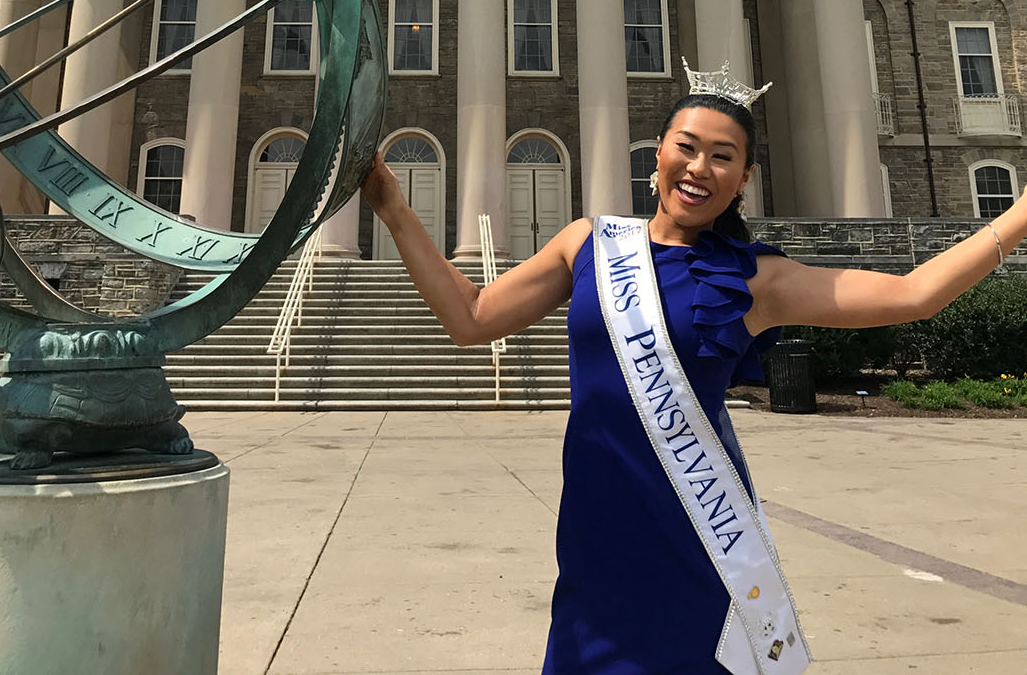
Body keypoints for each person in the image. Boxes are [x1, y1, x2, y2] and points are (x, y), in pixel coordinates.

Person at [360, 63, 1027, 674]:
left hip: (698, 540)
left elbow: (913, 295)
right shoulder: (590, 243)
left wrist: (1021, 215)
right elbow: (470, 317)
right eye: (687, 145)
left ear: (743, 178)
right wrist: (392, 207)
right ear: (658, 153)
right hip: (597, 541)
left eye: (722, 156)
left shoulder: (756, 279)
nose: (699, 166)